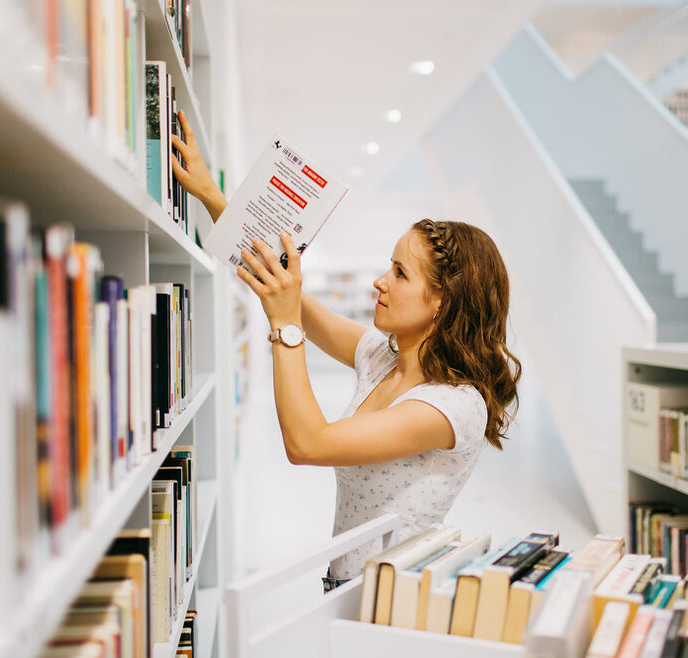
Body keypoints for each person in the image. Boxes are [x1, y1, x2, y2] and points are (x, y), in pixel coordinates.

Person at [170, 111, 521, 587]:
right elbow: (286, 288)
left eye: (399, 273)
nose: (380, 281)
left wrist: (284, 326)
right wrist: (213, 197)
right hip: (346, 585)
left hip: (391, 606)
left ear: (442, 301)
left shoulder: (450, 407)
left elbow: (307, 443)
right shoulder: (383, 356)